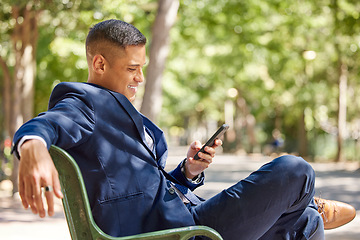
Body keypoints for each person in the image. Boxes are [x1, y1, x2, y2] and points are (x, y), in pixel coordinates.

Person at [12, 19, 355, 240]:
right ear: (99, 63)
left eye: (142, 68)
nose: (140, 78)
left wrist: (188, 171)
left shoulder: (117, 110)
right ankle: (307, 201)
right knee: (295, 170)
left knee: (305, 226)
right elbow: (48, 124)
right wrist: (32, 146)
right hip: (176, 233)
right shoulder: (82, 103)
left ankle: (305, 209)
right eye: (132, 68)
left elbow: (148, 185)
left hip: (184, 216)